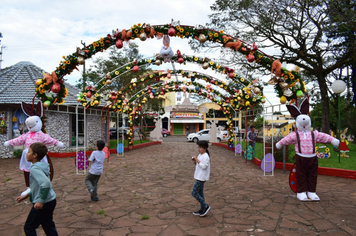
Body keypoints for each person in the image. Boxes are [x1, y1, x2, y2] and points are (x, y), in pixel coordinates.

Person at [16, 142, 59, 236]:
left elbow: (46, 184)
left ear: (35, 155)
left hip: (44, 202)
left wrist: (41, 201)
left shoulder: (35, 169)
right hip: (51, 200)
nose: (26, 154)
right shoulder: (42, 166)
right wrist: (27, 195)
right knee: (48, 225)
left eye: (28, 152)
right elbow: (38, 186)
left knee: (29, 227)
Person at [191, 140, 211, 217]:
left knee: (194, 192)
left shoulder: (206, 156)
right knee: (200, 193)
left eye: (200, 147)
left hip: (201, 177)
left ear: (205, 148)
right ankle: (202, 209)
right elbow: (199, 165)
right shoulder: (200, 155)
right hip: (199, 176)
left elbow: (203, 166)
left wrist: (196, 159)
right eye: (198, 147)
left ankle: (205, 206)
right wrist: (195, 161)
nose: (198, 149)